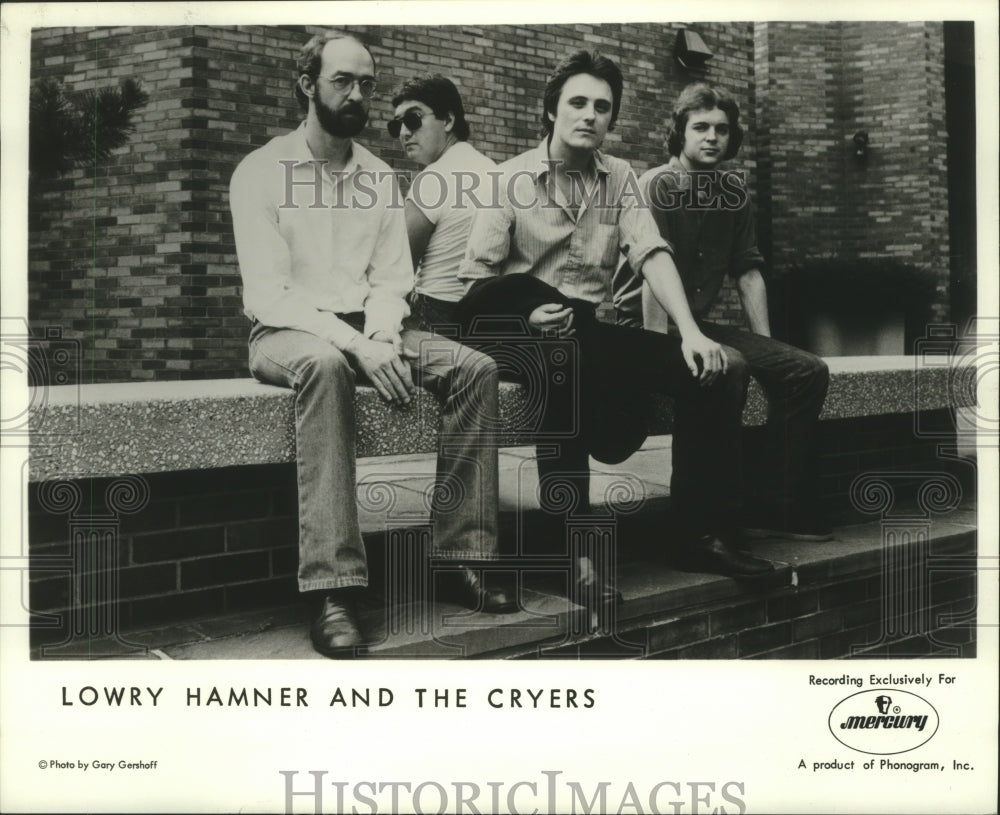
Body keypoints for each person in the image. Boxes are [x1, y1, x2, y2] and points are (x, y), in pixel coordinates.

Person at [229, 33, 517, 659]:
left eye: (367, 83)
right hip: (287, 333)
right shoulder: (261, 171)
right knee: (329, 365)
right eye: (343, 81)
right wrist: (360, 345)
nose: (358, 95)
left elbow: (393, 282)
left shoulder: (380, 177)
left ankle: (462, 555)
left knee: (475, 369)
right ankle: (333, 588)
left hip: (373, 329)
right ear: (308, 84)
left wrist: (383, 336)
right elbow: (270, 294)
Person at [457, 51, 777, 597]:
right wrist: (526, 315)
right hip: (514, 324)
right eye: (577, 103)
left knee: (721, 370)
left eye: (602, 107)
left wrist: (692, 334)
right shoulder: (508, 179)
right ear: (551, 112)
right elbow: (473, 289)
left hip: (585, 325)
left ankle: (698, 532)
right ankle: (572, 552)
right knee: (565, 362)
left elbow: (651, 252)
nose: (590, 115)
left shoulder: (621, 177)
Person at [612, 82, 832, 540]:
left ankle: (774, 504)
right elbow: (655, 275)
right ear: (680, 133)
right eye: (701, 127)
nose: (712, 137)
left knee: (806, 370)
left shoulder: (733, 194)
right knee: (721, 369)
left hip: (697, 325)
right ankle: (701, 520)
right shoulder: (657, 185)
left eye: (722, 129)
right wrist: (662, 359)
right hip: (644, 324)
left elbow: (749, 274)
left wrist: (769, 348)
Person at [389, 74, 497, 331]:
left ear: (448, 120)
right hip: (484, 319)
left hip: (434, 316)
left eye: (413, 119)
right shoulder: (495, 171)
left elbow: (397, 270)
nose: (404, 133)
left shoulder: (432, 180)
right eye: (397, 125)